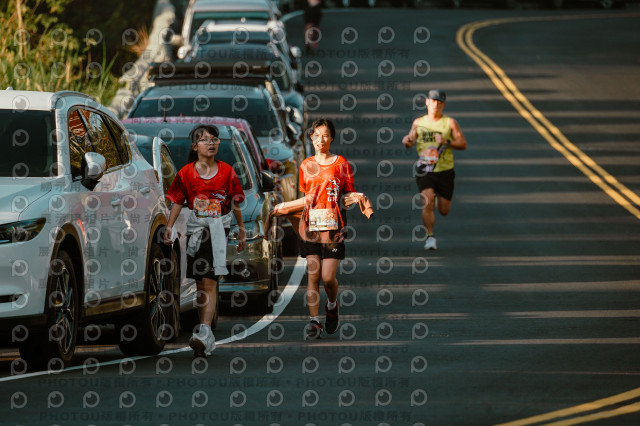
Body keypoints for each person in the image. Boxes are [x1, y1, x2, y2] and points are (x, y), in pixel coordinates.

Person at [163, 124, 245, 357]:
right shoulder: (185, 173)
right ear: (194, 146)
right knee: (200, 283)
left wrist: (241, 229)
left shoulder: (227, 171)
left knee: (209, 281)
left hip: (218, 230)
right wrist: (169, 227)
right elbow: (177, 201)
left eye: (214, 139)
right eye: (205, 139)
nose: (211, 143)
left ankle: (204, 331)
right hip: (196, 232)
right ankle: (205, 334)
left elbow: (235, 202)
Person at [274, 118, 355, 340]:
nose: (321, 140)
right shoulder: (306, 165)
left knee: (328, 278)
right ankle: (314, 322)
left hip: (334, 228)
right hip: (311, 227)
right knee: (313, 274)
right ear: (311, 138)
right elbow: (307, 198)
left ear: (332, 138)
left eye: (325, 135)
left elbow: (348, 193)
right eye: (317, 135)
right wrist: (286, 209)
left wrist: (352, 199)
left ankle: (332, 304)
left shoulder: (341, 164)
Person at [402, 89, 467, 250]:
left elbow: (462, 144)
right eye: (433, 101)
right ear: (427, 102)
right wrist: (407, 141)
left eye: (439, 102)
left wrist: (446, 141)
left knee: (444, 210)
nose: (436, 105)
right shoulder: (418, 123)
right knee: (427, 202)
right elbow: (410, 141)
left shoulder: (449, 123)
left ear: (443, 104)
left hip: (445, 170)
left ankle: (438, 198)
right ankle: (430, 237)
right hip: (425, 169)